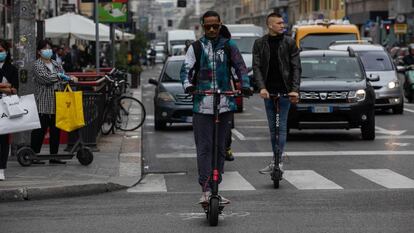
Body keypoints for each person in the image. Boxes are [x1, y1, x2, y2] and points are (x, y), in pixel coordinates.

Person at [180, 10, 252, 204]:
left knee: (220, 148)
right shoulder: (195, 47)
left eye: (215, 26)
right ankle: (205, 190)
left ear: (220, 25)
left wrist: (244, 85)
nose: (212, 29)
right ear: (202, 27)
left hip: (224, 104)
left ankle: (216, 188)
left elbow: (240, 68)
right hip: (202, 105)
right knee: (204, 147)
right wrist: (189, 86)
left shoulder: (229, 46)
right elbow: (186, 70)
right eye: (208, 26)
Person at [252, 13, 301, 174]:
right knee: (273, 129)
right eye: (279, 23)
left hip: (285, 92)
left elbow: (296, 68)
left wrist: (294, 90)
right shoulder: (259, 43)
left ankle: (278, 162)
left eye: (283, 23)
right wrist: (262, 88)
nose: (282, 25)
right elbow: (257, 67)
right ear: (270, 25)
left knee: (281, 128)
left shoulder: (289, 43)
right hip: (269, 92)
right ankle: (275, 160)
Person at [31, 39, 77, 164]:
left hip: (58, 100)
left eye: (49, 48)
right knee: (40, 130)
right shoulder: (37, 65)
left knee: (56, 130)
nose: (48, 51)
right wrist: (59, 77)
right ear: (39, 52)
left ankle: (54, 156)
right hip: (43, 101)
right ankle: (33, 155)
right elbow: (44, 79)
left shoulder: (57, 64)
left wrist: (69, 78)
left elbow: (63, 78)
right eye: (44, 48)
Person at [0, 39, 18, 180]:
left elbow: (14, 89)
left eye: (1, 51)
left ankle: (2, 168)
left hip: (6, 106)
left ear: (6, 52)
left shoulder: (12, 69)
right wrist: (5, 86)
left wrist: (7, 89)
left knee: (4, 138)